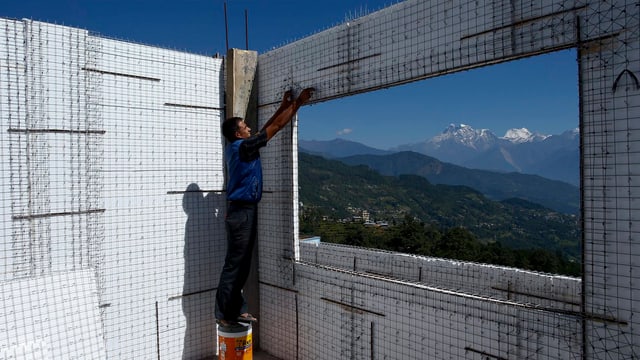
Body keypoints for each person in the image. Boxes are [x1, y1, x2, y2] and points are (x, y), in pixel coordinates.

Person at [215, 88, 314, 326]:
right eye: (245, 126)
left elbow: (264, 131)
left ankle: (235, 310)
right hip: (242, 212)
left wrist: (283, 106)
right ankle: (224, 314)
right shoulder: (244, 148)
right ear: (238, 134)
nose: (249, 128)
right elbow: (275, 129)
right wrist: (298, 103)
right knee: (235, 265)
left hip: (240, 211)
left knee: (240, 264)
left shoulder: (238, 147)